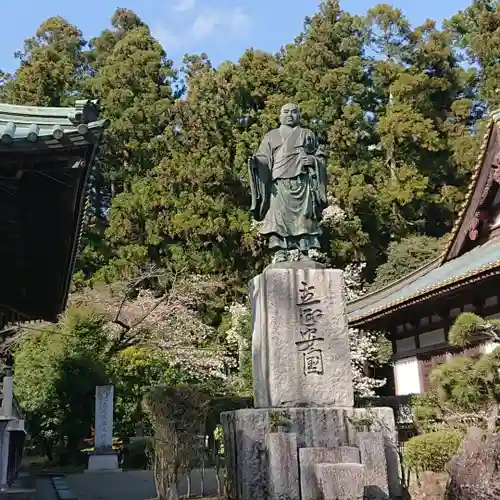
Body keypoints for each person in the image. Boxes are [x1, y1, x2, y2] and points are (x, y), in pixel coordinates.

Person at [249, 103, 328, 263]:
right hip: (279, 185)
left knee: (304, 218)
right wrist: (256, 162)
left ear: (299, 115)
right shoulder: (271, 136)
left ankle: (305, 251)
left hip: (302, 182)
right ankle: (280, 251)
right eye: (286, 112)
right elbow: (264, 158)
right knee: (278, 219)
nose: (290, 115)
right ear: (280, 116)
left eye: (294, 112)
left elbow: (320, 156)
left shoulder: (307, 134)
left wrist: (313, 161)